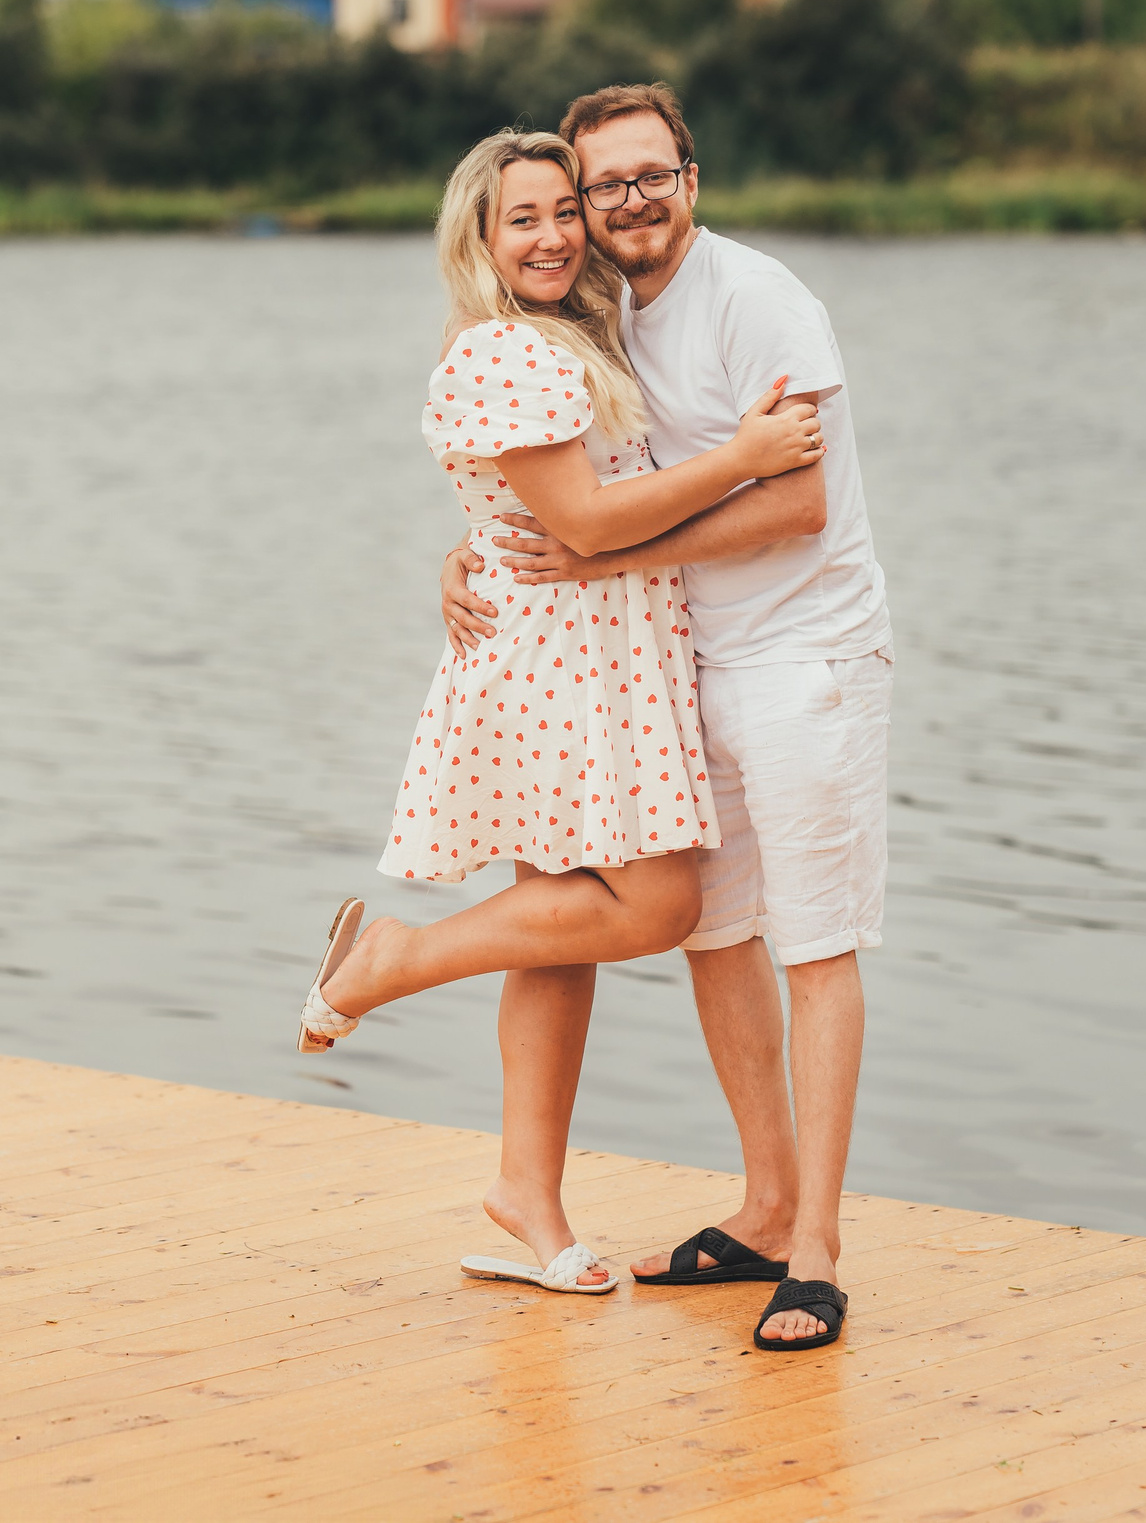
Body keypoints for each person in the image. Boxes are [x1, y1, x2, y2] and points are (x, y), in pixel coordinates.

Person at [299, 126, 822, 1297]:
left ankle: (526, 1192)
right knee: (656, 900)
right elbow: (584, 524)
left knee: (557, 927)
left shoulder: (570, 340)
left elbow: (539, 502)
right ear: (479, 239)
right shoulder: (503, 354)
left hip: (600, 654)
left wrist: (465, 543)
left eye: (559, 212)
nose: (549, 235)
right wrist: (744, 453)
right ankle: (388, 960)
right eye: (520, 218)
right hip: (560, 666)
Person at [443, 84, 893, 1353]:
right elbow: (562, 480)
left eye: (651, 176)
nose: (624, 203)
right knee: (714, 930)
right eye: (603, 186)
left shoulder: (760, 301)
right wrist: (468, 554)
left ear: (691, 179)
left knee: (815, 945)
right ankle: (762, 1205)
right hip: (688, 664)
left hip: (806, 657)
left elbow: (792, 508)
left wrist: (594, 564)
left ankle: (816, 1252)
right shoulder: (602, 316)